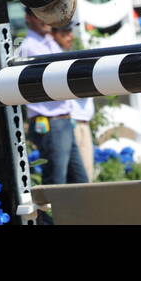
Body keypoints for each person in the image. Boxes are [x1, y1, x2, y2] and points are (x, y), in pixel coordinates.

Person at [18, 8, 88, 185]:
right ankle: (50, 213)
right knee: (57, 180)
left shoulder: (49, 42)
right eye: (38, 15)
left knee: (78, 179)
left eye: (45, 14)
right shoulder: (28, 47)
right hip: (50, 121)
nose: (44, 19)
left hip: (61, 119)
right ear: (28, 18)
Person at [50, 23, 93, 182]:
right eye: (65, 32)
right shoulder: (55, 57)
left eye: (69, 32)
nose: (70, 35)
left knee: (86, 175)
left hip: (82, 122)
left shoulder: (70, 55)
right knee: (77, 177)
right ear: (53, 34)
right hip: (71, 122)